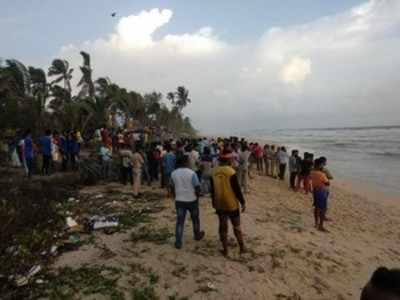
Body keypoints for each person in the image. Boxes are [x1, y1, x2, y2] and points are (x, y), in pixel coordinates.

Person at [211, 149, 247, 257]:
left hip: (219, 202)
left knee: (223, 227)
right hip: (231, 203)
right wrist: (243, 202)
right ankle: (242, 248)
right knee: (236, 226)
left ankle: (225, 250)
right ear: (228, 160)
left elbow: (212, 190)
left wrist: (213, 201)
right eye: (231, 159)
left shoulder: (214, 172)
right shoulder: (231, 172)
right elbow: (237, 189)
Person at [170, 155, 205, 249]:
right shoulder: (192, 173)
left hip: (179, 200)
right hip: (192, 200)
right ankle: (197, 234)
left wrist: (175, 195)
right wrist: (197, 196)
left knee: (180, 221)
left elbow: (171, 186)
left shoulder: (173, 173)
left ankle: (178, 241)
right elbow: (197, 187)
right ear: (186, 162)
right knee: (195, 218)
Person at [310, 158, 330, 232]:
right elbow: (327, 183)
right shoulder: (321, 174)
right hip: (321, 191)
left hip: (315, 190)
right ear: (320, 165)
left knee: (316, 207)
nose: (323, 165)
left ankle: (316, 223)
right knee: (323, 209)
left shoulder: (312, 172)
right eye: (322, 164)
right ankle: (321, 226)